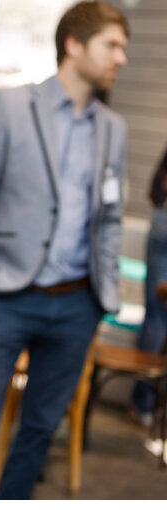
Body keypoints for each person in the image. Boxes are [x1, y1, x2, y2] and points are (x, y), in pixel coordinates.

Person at [0, 1, 129, 500]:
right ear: (74, 44)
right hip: (6, 296)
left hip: (77, 305)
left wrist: (103, 296)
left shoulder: (113, 129)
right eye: (112, 45)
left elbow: (109, 218)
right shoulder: (11, 107)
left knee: (39, 435)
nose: (121, 58)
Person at [131, 149, 167, 427]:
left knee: (155, 317)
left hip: (163, 219)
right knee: (157, 319)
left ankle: (144, 405)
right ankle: (148, 404)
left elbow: (157, 185)